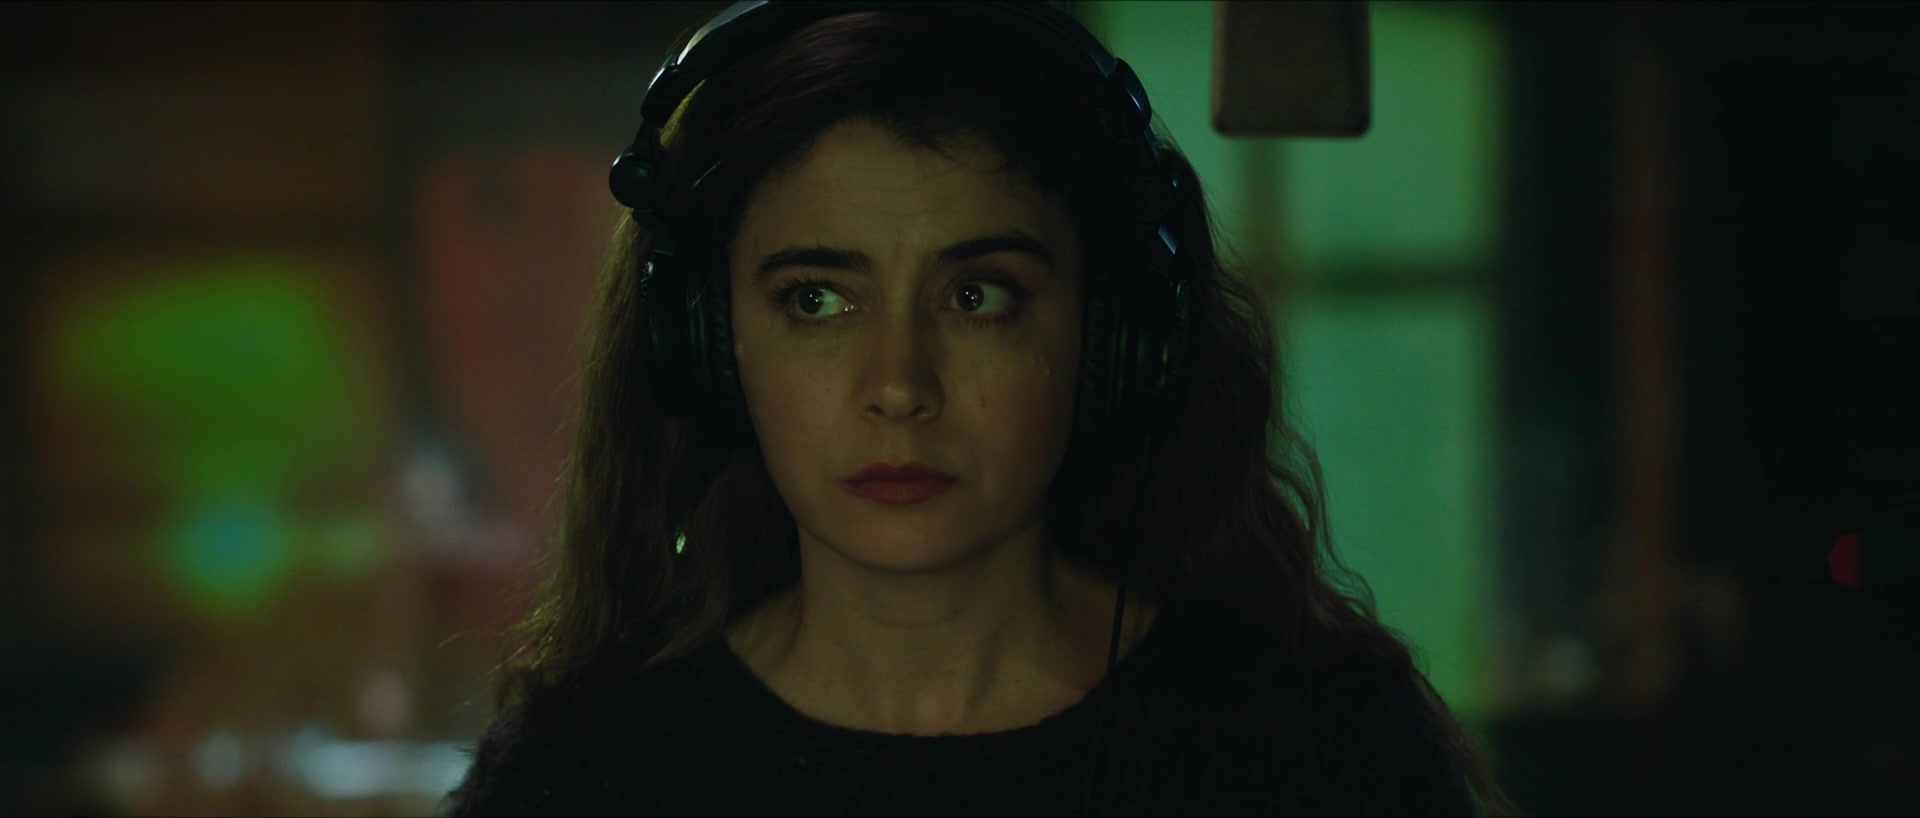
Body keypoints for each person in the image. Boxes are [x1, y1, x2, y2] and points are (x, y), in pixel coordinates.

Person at [445, 2, 1512, 815]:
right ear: (709, 347)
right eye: (817, 300)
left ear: (1111, 336)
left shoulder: (1319, 752)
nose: (899, 385)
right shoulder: (581, 776)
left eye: (978, 296)